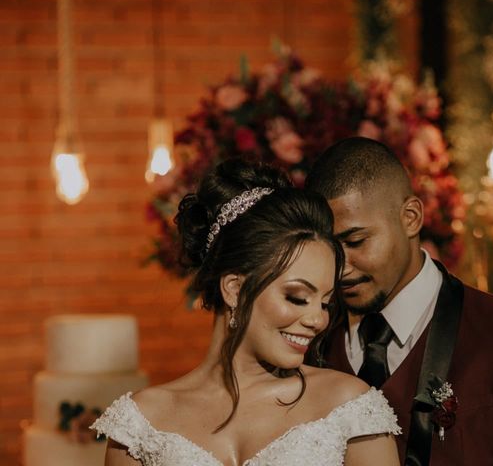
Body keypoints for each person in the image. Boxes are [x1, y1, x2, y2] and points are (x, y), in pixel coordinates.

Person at [91, 159, 401, 466]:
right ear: (234, 289)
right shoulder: (140, 424)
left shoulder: (349, 408)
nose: (317, 320)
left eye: (325, 303)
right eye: (297, 297)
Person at [305, 137, 493, 466]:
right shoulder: (308, 336)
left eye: (355, 241)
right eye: (329, 248)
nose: (341, 268)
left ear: (411, 217)